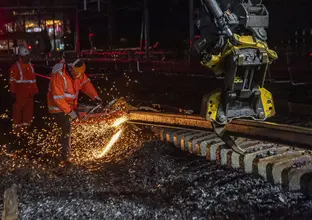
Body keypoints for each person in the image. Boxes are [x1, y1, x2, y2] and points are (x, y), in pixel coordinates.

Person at [47, 58, 102, 166]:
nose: (79, 75)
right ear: (71, 68)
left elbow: (86, 84)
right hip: (57, 107)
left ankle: (67, 151)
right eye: (77, 72)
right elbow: (58, 98)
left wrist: (95, 96)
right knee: (66, 129)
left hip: (70, 106)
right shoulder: (58, 76)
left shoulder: (77, 73)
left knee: (69, 129)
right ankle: (65, 158)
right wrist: (70, 112)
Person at [9, 46, 39, 135]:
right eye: (26, 56)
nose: (27, 58)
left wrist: (35, 92)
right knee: (17, 112)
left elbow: (33, 80)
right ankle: (17, 132)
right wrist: (13, 93)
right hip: (19, 94)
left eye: (28, 56)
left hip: (29, 94)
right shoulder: (15, 67)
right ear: (21, 57)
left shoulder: (30, 66)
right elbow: (12, 81)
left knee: (28, 113)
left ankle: (25, 132)